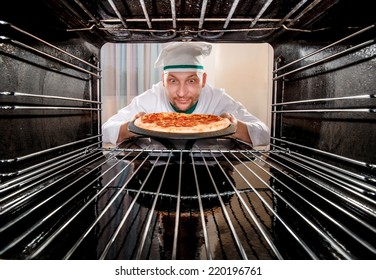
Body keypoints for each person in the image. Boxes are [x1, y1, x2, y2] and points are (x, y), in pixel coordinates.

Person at [102, 42, 270, 146]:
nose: (182, 93)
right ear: (163, 80)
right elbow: (106, 131)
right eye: (173, 81)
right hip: (157, 169)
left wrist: (234, 127)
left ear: (203, 80)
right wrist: (133, 128)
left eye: (191, 81)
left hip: (209, 171)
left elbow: (264, 134)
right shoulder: (149, 98)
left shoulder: (218, 98)